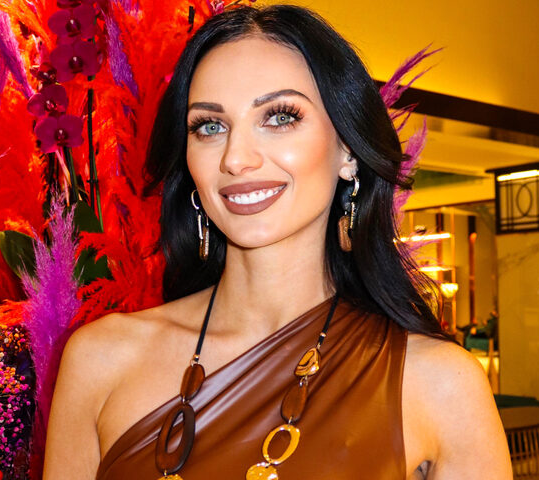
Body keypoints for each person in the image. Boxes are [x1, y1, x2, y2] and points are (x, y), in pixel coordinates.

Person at [43, 4, 513, 479]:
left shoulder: (438, 385)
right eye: (210, 126)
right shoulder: (101, 359)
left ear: (348, 150)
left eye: (280, 117)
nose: (236, 158)